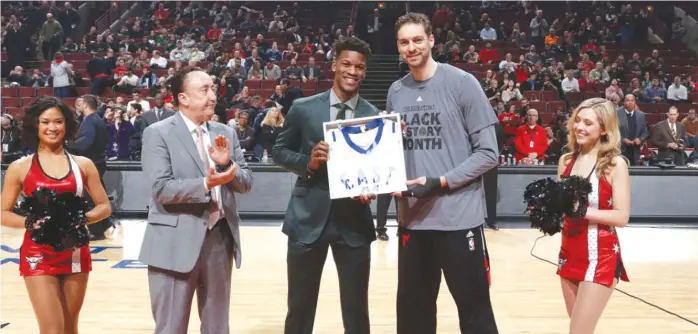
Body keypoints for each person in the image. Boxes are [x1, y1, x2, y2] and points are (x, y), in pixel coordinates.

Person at [388, 13, 500, 334]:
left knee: (475, 314)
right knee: (413, 319)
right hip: (412, 220)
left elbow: (489, 153)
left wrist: (440, 182)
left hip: (458, 220)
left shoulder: (463, 83)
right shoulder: (396, 91)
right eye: (404, 42)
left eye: (417, 40)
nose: (411, 47)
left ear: (432, 40)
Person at [271, 36, 377, 334]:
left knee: (357, 312)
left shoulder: (374, 115)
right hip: (307, 219)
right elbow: (279, 151)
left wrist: (371, 188)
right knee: (300, 308)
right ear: (334, 66)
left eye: (359, 67)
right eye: (346, 64)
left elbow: (378, 172)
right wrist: (309, 162)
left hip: (354, 222)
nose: (352, 71)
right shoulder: (304, 108)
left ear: (365, 71)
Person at [138, 66, 253, 333]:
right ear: (183, 98)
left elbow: (246, 183)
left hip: (219, 239)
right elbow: (161, 188)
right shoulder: (158, 133)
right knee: (171, 326)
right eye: (204, 89)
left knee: (217, 327)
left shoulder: (227, 132)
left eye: (213, 88)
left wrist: (226, 168)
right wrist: (205, 183)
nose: (212, 95)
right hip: (173, 241)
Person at [0, 96, 112, 333]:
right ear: (35, 125)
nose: (52, 127)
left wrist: (82, 219)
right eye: (45, 122)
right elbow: (3, 213)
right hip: (38, 253)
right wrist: (30, 222)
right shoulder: (20, 167)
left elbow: (104, 206)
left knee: (70, 328)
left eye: (58, 122)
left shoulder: (84, 164)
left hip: (74, 252)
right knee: (52, 329)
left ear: (67, 125)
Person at [556, 98, 630, 333]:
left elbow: (622, 217)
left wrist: (582, 211)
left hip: (601, 256)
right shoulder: (565, 161)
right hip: (569, 253)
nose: (579, 127)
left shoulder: (615, 164)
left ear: (604, 129)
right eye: (577, 120)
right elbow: (562, 209)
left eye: (588, 123)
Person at [68, 94, 111, 240]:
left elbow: (88, 139)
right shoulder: (98, 119)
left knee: (90, 197)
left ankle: (97, 230)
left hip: (91, 163)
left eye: (79, 104)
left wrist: (69, 147)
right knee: (100, 195)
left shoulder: (89, 120)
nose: (77, 107)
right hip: (99, 161)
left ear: (86, 105)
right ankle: (105, 223)